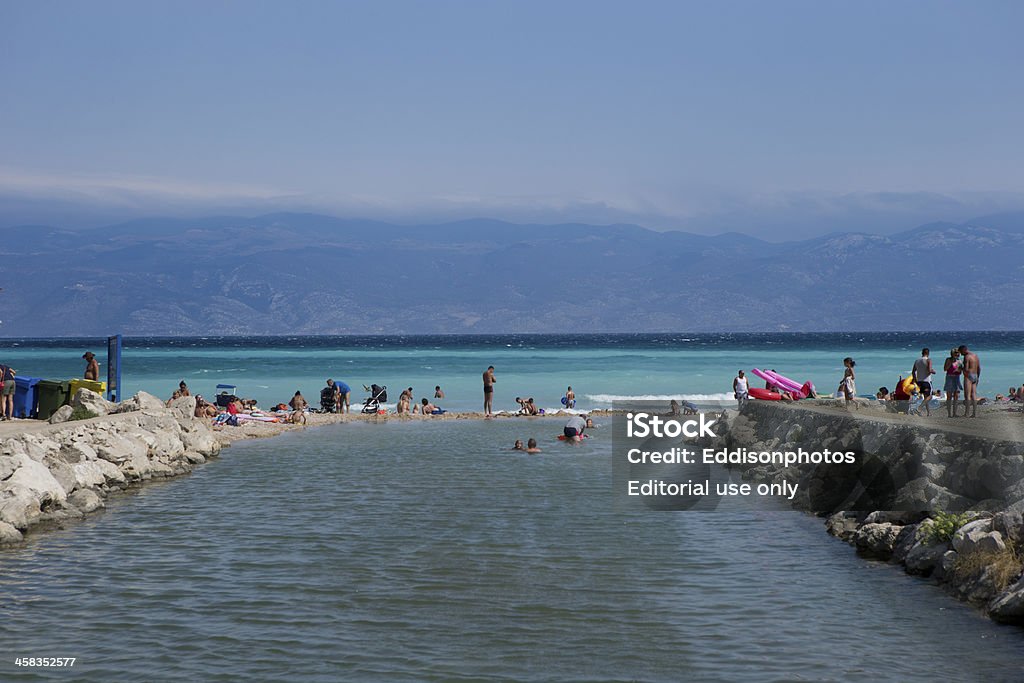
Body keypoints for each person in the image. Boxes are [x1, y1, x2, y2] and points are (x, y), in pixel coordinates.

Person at [959, 344, 981, 418]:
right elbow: (979, 368)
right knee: (974, 395)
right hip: (975, 375)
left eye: (961, 352)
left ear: (963, 350)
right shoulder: (975, 356)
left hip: (968, 376)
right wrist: (978, 377)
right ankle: (974, 413)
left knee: (967, 395)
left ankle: (967, 413)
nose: (961, 354)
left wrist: (960, 368)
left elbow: (966, 369)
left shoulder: (966, 357)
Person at [912, 348, 934, 416]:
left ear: (922, 353)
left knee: (925, 397)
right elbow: (929, 370)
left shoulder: (917, 361)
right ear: (928, 353)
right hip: (927, 381)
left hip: (919, 381)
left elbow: (913, 372)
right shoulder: (928, 360)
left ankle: (929, 413)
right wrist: (933, 371)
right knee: (930, 396)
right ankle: (919, 408)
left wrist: (915, 380)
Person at [943, 348, 962, 417]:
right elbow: (945, 369)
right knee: (949, 396)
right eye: (956, 353)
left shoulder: (959, 361)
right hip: (949, 377)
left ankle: (954, 413)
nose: (957, 354)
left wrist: (959, 370)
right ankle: (949, 414)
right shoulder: (948, 359)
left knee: (956, 396)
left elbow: (960, 371)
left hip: (956, 378)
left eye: (958, 353)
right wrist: (951, 363)